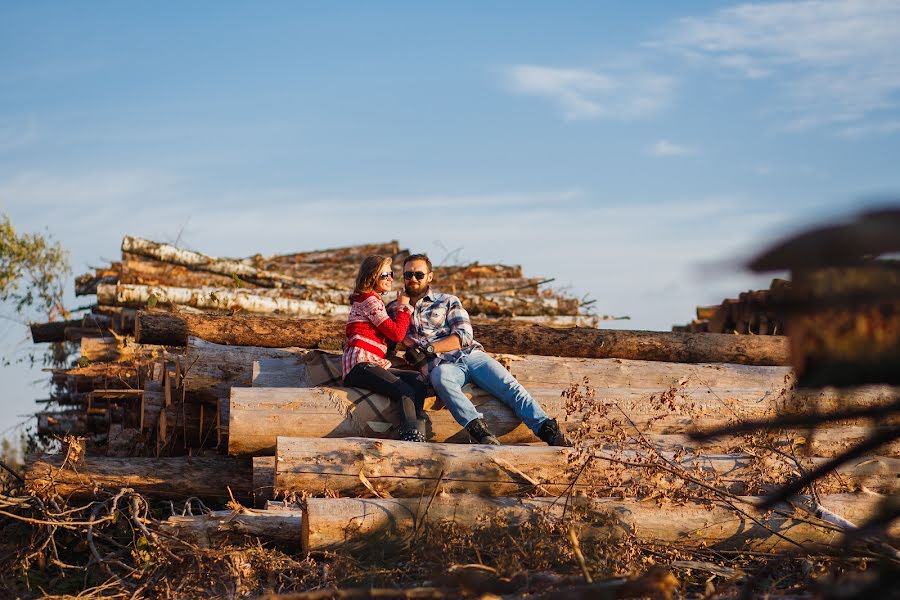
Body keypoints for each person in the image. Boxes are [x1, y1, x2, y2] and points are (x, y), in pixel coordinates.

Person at [391, 253, 570, 446]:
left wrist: (429, 347)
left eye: (419, 274)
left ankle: (547, 430)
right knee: (440, 378)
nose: (413, 279)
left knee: (511, 387)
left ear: (430, 276)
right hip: (443, 366)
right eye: (408, 275)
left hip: (471, 356)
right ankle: (481, 432)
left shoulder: (447, 300)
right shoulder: (394, 309)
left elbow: (463, 335)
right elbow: (388, 338)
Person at [342, 255, 427, 442]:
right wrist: (403, 307)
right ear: (372, 276)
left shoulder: (375, 301)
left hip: (373, 362)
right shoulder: (369, 301)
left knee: (418, 380)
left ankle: (417, 425)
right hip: (360, 364)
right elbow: (396, 334)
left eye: (392, 274)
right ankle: (411, 436)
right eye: (385, 275)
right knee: (404, 390)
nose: (390, 278)